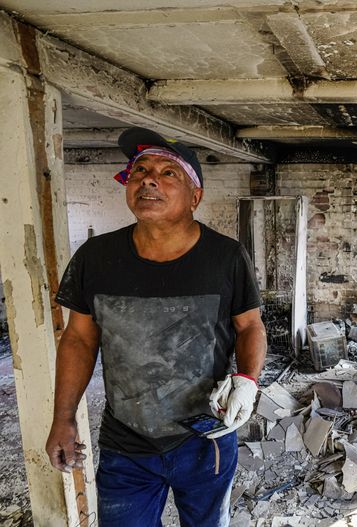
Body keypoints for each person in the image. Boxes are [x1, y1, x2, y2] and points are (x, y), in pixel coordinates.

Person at [45, 127, 267, 526]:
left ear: (195, 197)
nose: (148, 178)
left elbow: (250, 325)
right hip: (126, 443)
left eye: (169, 173)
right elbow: (78, 339)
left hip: (205, 438)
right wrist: (63, 418)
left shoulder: (226, 257)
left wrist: (247, 380)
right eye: (140, 170)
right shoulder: (96, 257)